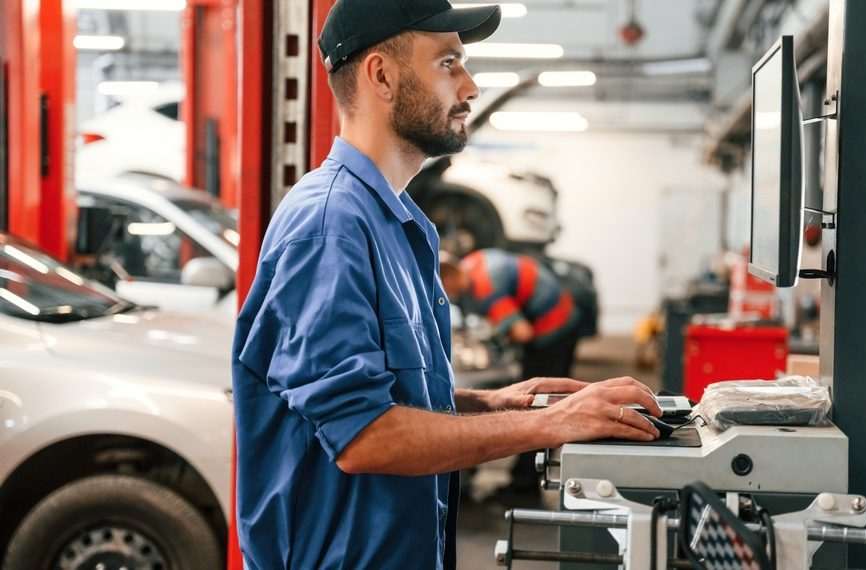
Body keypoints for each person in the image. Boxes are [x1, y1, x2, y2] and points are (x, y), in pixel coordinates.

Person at [230, 1, 662, 568]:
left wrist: (491, 403)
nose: (471, 86)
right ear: (381, 75)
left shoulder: (401, 224)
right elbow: (366, 437)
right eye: (449, 63)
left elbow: (388, 397)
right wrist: (548, 424)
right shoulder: (330, 224)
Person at [440, 248, 580, 379]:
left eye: (441, 289)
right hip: (563, 303)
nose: (444, 296)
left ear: (448, 280)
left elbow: (523, 332)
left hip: (554, 324)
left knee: (540, 389)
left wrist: (497, 338)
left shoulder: (486, 290)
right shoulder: (473, 261)